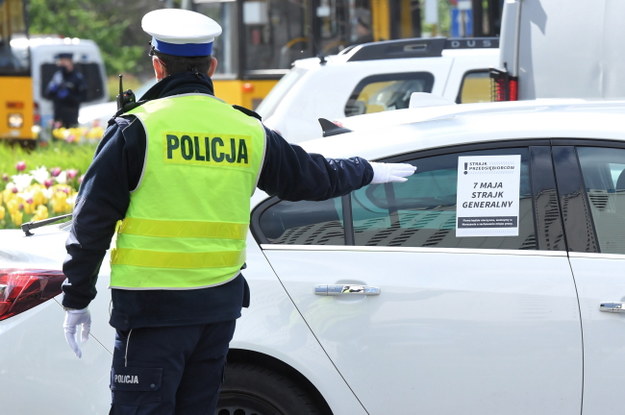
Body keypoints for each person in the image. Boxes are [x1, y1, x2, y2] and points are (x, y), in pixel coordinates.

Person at [61, 8, 415, 415]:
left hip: (152, 313)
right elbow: (312, 178)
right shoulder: (247, 130)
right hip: (215, 313)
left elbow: (91, 223)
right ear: (211, 66)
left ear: (158, 66)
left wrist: (77, 298)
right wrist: (367, 169)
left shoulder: (135, 129)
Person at [44, 52, 87, 128]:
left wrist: (70, 96)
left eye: (65, 62)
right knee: (57, 135)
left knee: (71, 135)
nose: (62, 64)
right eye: (61, 62)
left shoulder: (77, 77)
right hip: (58, 113)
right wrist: (52, 90)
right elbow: (48, 94)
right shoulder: (57, 76)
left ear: (70, 62)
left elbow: (83, 96)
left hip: (71, 114)